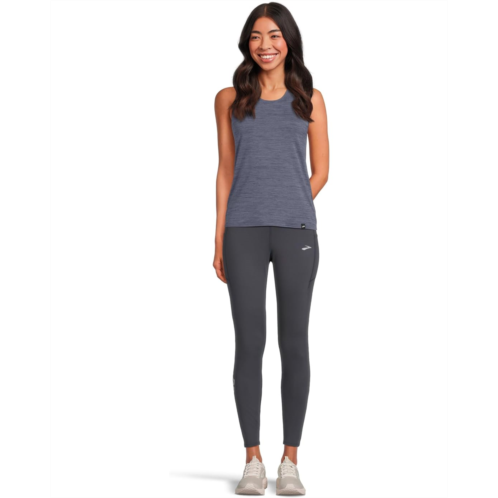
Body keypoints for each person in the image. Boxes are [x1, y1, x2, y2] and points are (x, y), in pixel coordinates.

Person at [213, 3, 329, 495]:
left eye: (275, 35)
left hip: (295, 231)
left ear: (289, 41)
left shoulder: (310, 98)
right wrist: (218, 235)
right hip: (241, 230)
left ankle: (290, 461)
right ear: (247, 42)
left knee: (294, 342)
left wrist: (291, 202)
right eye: (257, 36)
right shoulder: (229, 98)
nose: (265, 45)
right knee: (249, 343)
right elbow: (225, 169)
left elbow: (322, 171)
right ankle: (252, 460)